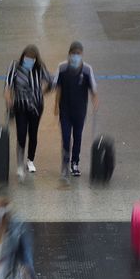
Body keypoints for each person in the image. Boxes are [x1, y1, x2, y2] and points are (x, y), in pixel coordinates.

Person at [5, 46, 55, 178]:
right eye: (27, 58)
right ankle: (20, 164)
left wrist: (43, 92)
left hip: (36, 106)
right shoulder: (15, 66)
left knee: (33, 134)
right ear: (23, 57)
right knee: (21, 135)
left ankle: (30, 160)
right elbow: (7, 86)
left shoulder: (40, 68)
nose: (29, 61)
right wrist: (9, 103)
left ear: (35, 60)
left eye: (32, 59)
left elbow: (51, 81)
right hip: (20, 106)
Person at [54, 41, 99, 178]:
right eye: (73, 54)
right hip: (65, 110)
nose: (75, 56)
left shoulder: (87, 69)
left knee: (78, 137)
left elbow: (93, 89)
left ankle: (75, 163)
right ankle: (65, 163)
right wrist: (56, 105)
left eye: (78, 54)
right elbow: (58, 88)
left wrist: (95, 101)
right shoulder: (62, 68)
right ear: (69, 54)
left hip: (80, 111)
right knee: (66, 138)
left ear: (82, 54)